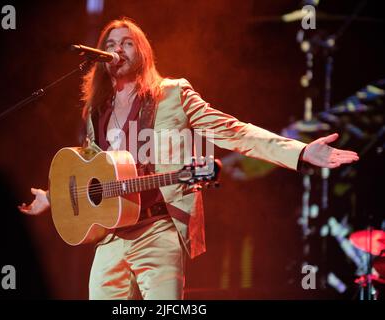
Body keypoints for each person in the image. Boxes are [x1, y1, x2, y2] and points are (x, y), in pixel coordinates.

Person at [18, 18, 359, 300]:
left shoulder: (173, 94)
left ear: (143, 53)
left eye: (127, 43)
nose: (116, 50)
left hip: (159, 228)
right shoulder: (97, 110)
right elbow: (89, 169)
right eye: (110, 44)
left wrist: (299, 150)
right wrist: (54, 197)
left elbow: (233, 130)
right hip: (110, 236)